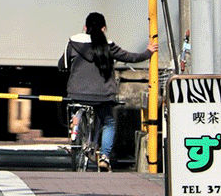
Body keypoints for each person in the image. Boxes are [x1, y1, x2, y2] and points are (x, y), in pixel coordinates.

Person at [60, 12, 156, 171]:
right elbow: (130, 57)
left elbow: (62, 65)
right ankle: (104, 157)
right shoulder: (109, 46)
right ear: (104, 29)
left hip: (77, 92)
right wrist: (148, 52)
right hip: (102, 95)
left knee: (77, 105)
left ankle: (76, 122)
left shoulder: (73, 43)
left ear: (85, 28)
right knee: (108, 122)